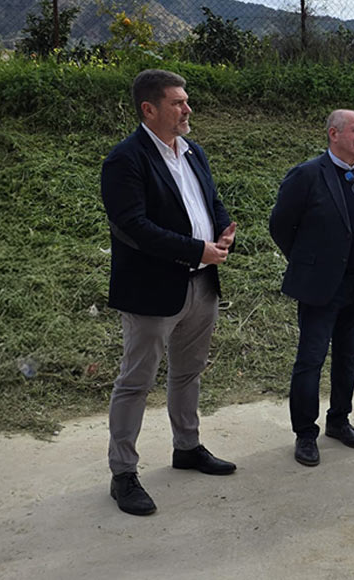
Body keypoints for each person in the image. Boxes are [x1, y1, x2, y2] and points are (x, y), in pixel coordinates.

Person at [101, 69, 238, 516]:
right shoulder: (126, 159)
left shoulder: (193, 151)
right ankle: (123, 473)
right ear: (149, 109)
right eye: (178, 102)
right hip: (153, 290)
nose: (187, 109)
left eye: (186, 100)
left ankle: (187, 447)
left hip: (201, 283)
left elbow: (211, 199)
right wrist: (196, 248)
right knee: (136, 381)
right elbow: (133, 227)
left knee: (188, 372)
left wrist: (221, 232)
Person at [270, 109, 354, 467]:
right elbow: (280, 225)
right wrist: (308, 262)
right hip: (321, 287)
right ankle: (305, 433)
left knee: (348, 358)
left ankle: (339, 421)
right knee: (311, 360)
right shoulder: (307, 175)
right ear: (333, 134)